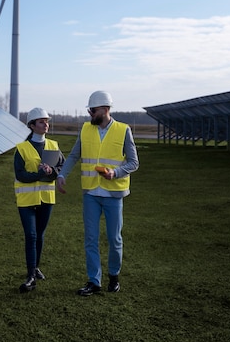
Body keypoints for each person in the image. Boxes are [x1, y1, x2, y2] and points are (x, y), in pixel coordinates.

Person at [57, 91, 139, 296]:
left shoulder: (123, 130)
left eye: (92, 111)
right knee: (91, 239)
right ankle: (94, 281)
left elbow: (133, 162)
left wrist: (116, 172)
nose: (89, 114)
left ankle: (114, 276)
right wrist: (61, 175)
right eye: (89, 111)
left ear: (104, 110)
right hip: (91, 193)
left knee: (114, 238)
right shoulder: (85, 129)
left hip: (113, 194)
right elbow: (75, 154)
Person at [14, 107, 64, 293]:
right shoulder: (21, 149)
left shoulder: (53, 145)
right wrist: (39, 173)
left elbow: (62, 165)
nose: (46, 125)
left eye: (47, 121)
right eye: (41, 122)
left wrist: (53, 172)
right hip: (26, 199)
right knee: (31, 235)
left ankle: (35, 267)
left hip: (46, 198)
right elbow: (20, 175)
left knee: (40, 235)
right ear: (32, 125)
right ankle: (30, 277)